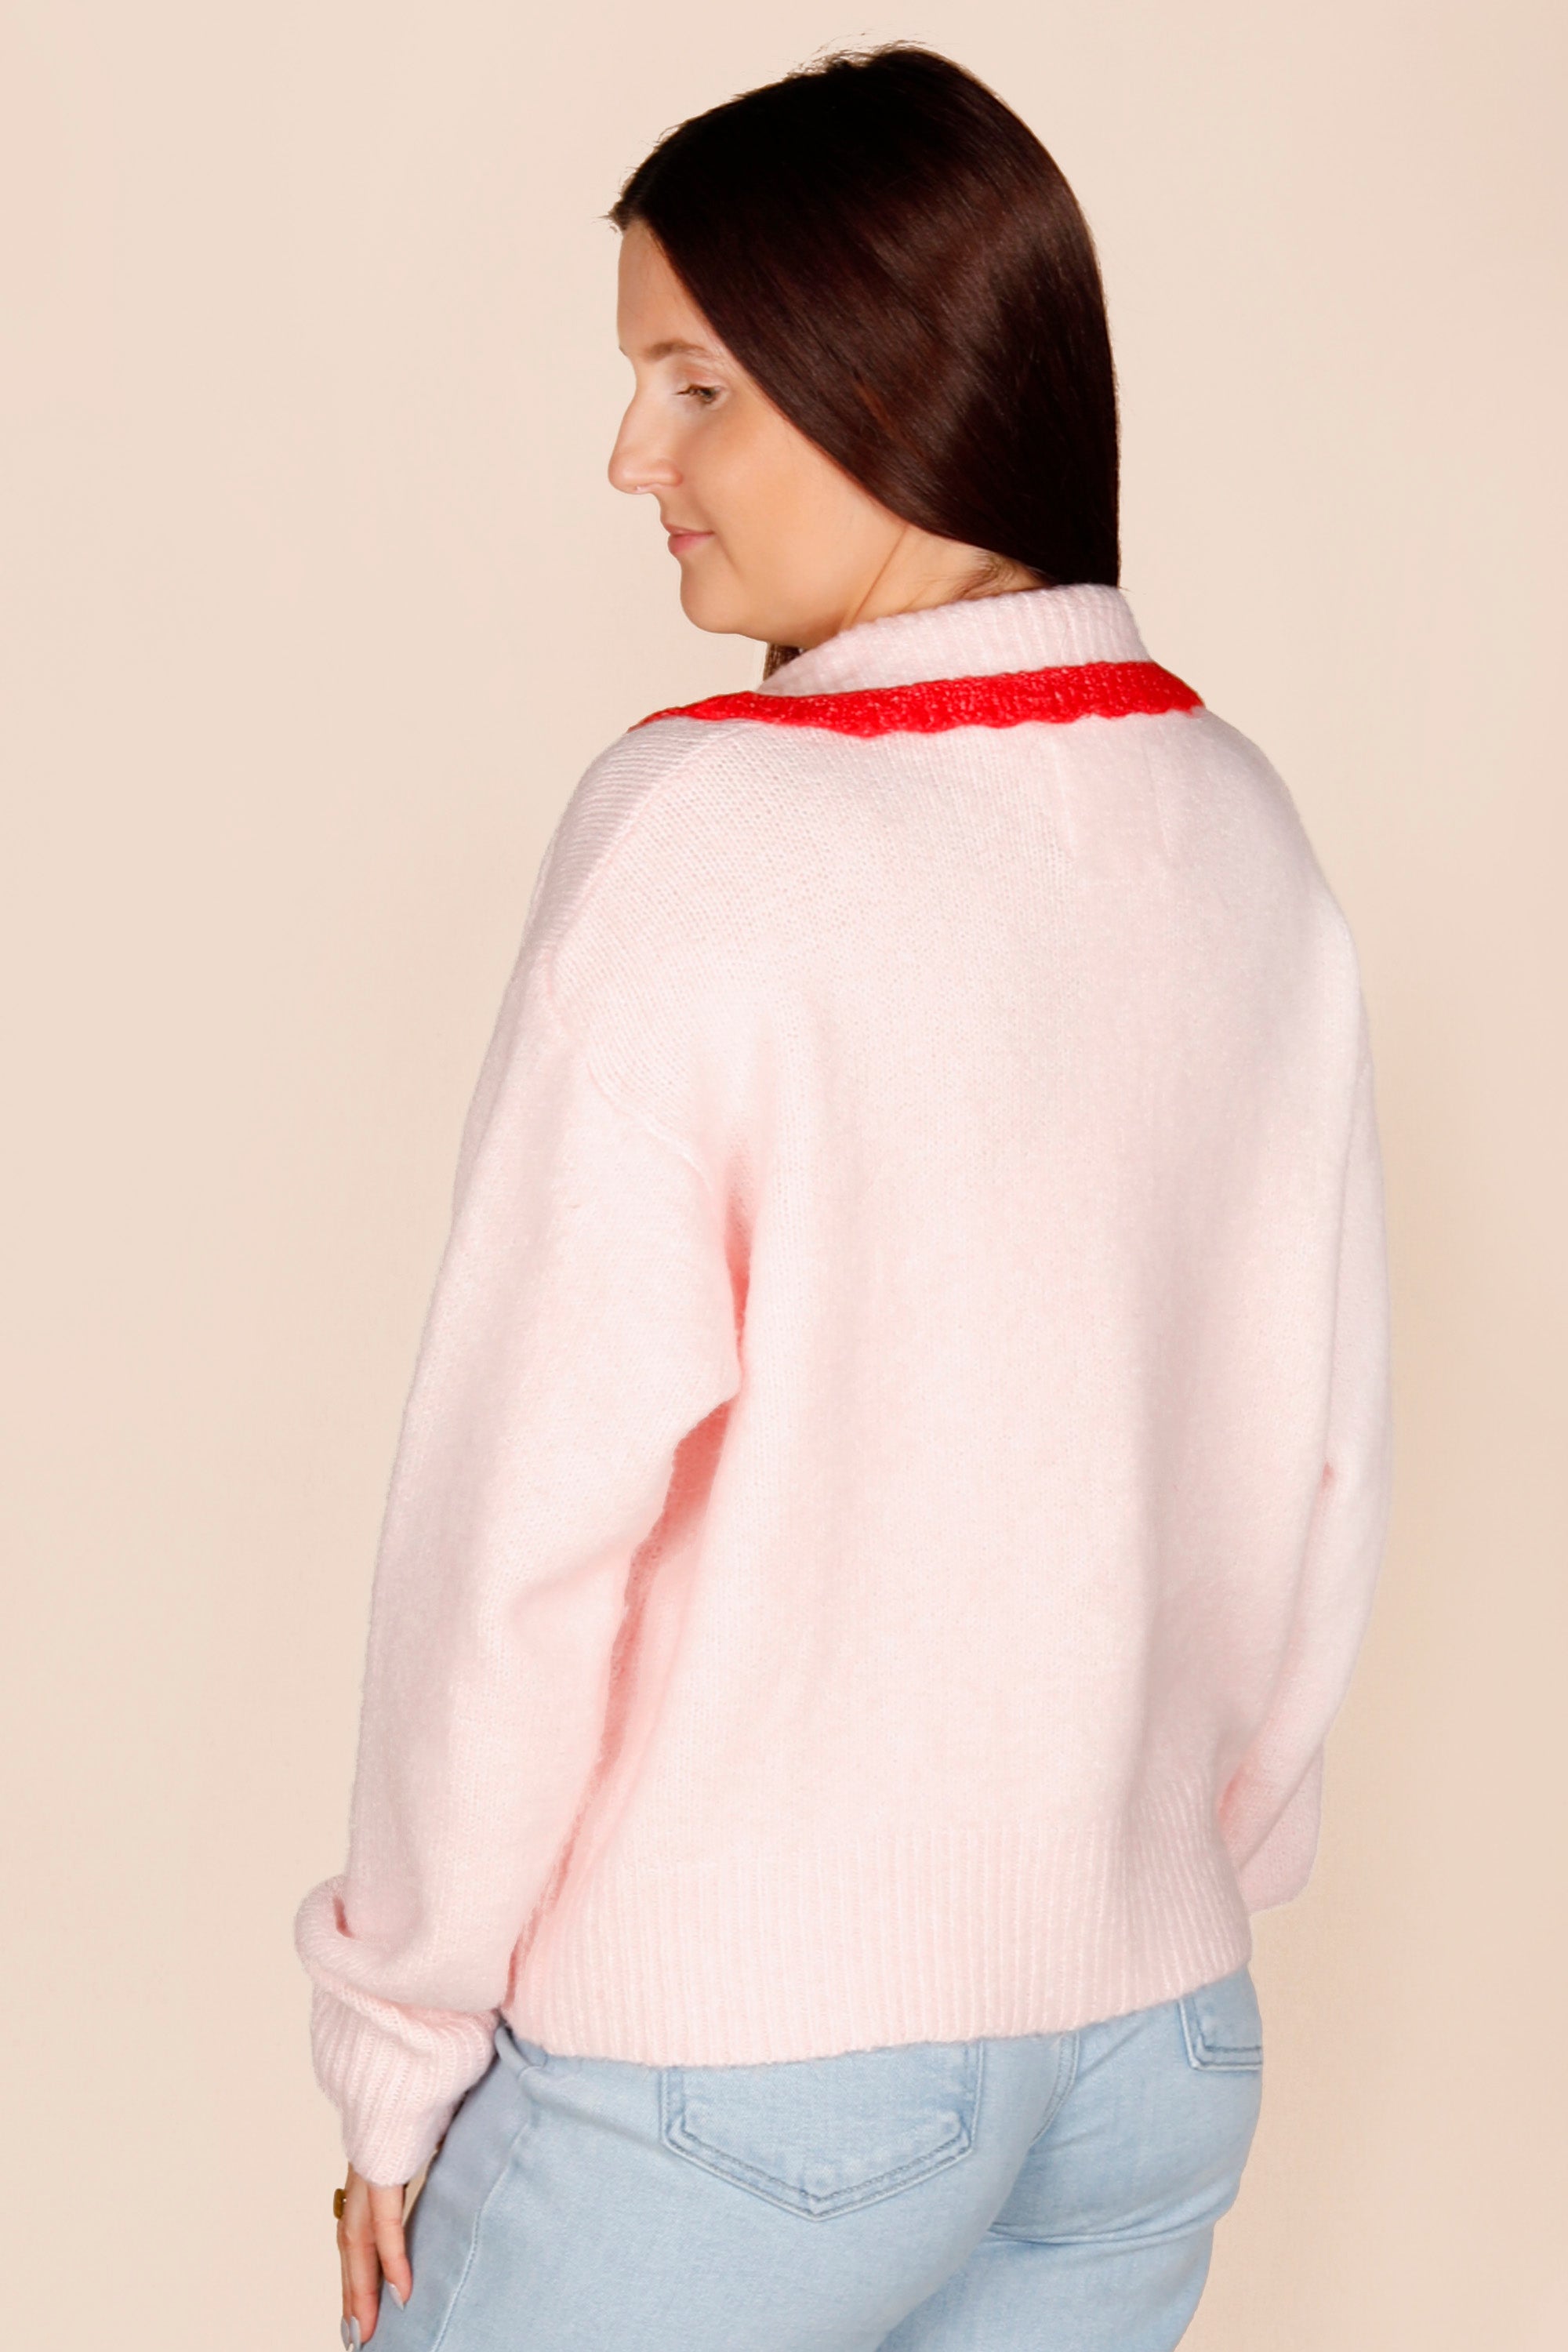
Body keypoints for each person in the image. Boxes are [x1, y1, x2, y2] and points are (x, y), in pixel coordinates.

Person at [296, 42, 1393, 2352]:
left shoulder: (709, 835)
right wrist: (1189, 1862)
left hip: (740, 2075)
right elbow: (1321, 1443)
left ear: (884, 371)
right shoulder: (1241, 821)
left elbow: (520, 1527)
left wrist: (400, 2033)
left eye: (697, 385)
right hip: (1156, 2053)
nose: (634, 458)